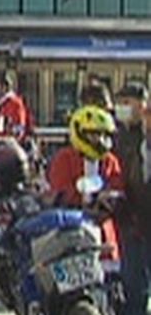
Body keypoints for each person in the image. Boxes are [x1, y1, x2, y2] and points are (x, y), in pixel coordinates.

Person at [49, 105, 124, 281]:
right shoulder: (64, 158)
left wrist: (110, 198)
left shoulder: (110, 161)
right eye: (94, 134)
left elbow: (117, 187)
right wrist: (84, 194)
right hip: (73, 228)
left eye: (104, 135)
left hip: (104, 230)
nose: (100, 140)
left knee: (111, 282)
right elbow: (60, 192)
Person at [114, 84, 151, 315]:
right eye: (121, 102)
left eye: (128, 102)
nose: (123, 108)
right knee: (133, 270)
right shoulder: (119, 135)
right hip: (130, 213)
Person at [0, 74, 34, 141]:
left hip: (9, 146)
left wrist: (4, 139)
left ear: (4, 87)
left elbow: (19, 129)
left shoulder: (15, 103)